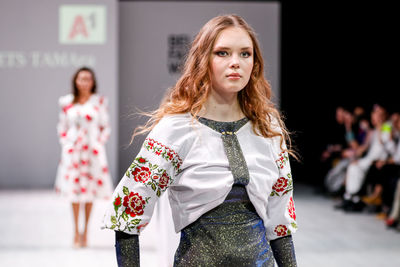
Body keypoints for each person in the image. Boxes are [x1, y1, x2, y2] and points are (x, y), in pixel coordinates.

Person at [102, 15, 298, 266]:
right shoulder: (176, 129)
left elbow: (280, 223)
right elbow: (127, 212)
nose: (236, 63)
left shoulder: (268, 128)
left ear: (255, 64)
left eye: (245, 54)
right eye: (223, 53)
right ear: (203, 60)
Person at [55, 67, 113, 248]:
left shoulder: (99, 102)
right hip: (74, 153)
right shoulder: (66, 102)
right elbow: (62, 127)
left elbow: (105, 126)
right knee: (74, 192)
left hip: (92, 153)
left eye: (88, 79)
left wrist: (98, 144)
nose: (84, 82)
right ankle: (75, 231)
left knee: (89, 192)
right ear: (75, 81)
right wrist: (67, 145)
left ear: (93, 81)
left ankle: (86, 230)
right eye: (81, 79)